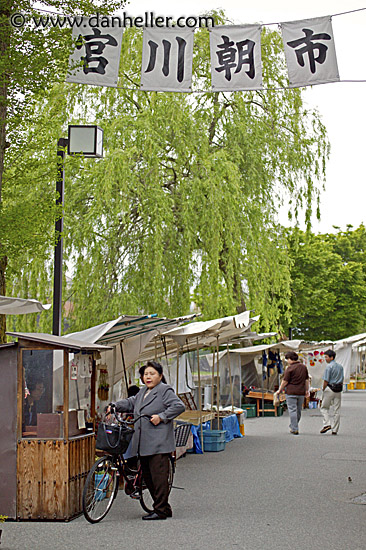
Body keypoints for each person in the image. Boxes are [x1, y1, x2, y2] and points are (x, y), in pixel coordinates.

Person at [107, 361, 185, 520]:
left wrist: (162, 417)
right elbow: (131, 402)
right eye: (145, 374)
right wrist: (115, 406)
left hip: (158, 441)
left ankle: (161, 510)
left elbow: (178, 406)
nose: (148, 377)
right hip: (143, 442)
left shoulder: (164, 390)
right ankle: (162, 507)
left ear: (160, 376)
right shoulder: (143, 392)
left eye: (152, 374)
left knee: (159, 477)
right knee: (148, 477)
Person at [276, 351, 310, 435]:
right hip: (301, 392)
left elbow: (285, 381)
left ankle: (294, 428)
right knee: (298, 410)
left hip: (291, 392)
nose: (287, 361)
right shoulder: (303, 367)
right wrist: (307, 390)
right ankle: (293, 425)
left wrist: (279, 390)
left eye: (287, 359)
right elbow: (306, 380)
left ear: (290, 359)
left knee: (292, 410)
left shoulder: (289, 368)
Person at [320, 349, 344, 435]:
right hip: (338, 389)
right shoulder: (340, 367)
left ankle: (327, 424)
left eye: (326, 357)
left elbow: (326, 380)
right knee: (337, 410)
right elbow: (342, 379)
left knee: (324, 408)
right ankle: (335, 429)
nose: (325, 359)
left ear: (331, 357)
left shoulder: (329, 367)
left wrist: (323, 389)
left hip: (329, 388)